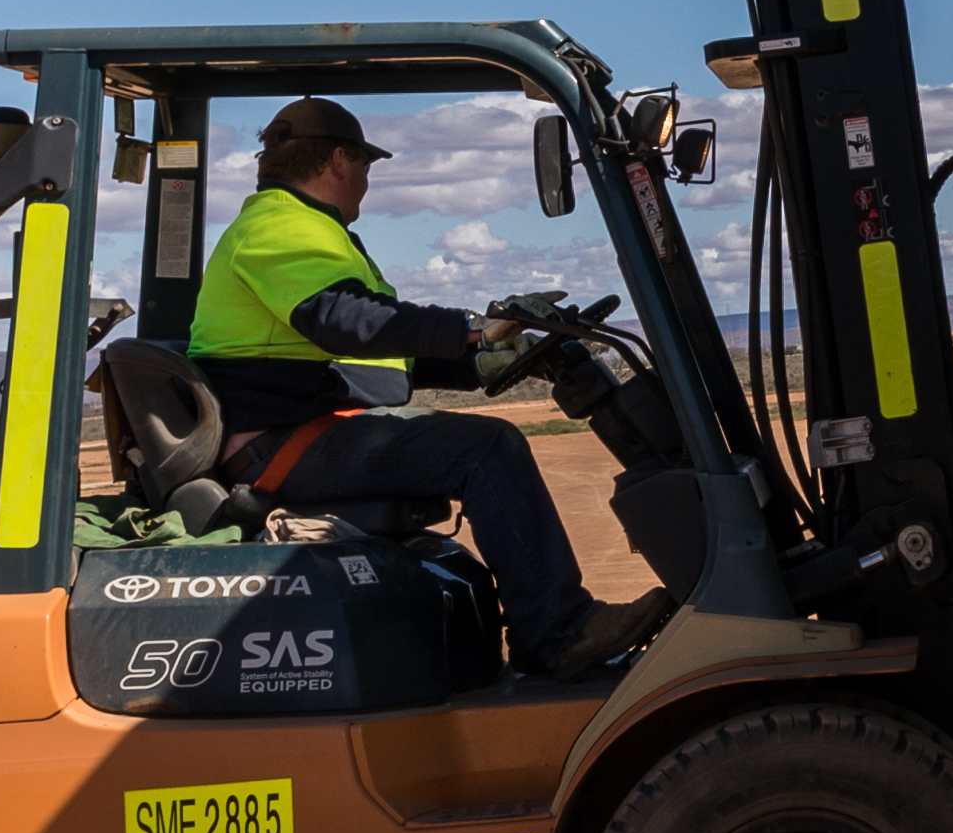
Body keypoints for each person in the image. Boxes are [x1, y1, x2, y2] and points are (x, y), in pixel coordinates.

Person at [189, 96, 665, 679]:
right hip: (276, 445)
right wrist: (469, 331)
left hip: (296, 429)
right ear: (339, 159)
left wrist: (485, 358)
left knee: (482, 444)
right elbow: (346, 320)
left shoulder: (302, 228)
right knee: (487, 449)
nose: (366, 179)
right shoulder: (281, 226)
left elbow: (380, 345)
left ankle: (549, 628)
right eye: (365, 164)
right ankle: (558, 633)